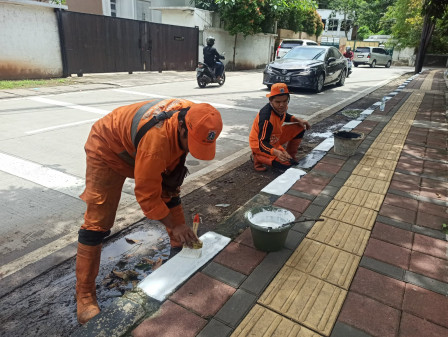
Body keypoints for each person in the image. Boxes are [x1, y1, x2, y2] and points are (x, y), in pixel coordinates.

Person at [75, 98, 223, 324]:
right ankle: (84, 295)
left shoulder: (198, 116)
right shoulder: (158, 140)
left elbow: (165, 191)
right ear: (182, 127)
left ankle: (179, 246)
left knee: (170, 189)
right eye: (190, 143)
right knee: (98, 222)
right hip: (107, 148)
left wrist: (179, 230)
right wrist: (174, 225)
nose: (192, 151)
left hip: (140, 147)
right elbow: (147, 195)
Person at [249, 83, 310, 172]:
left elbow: (284, 116)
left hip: (275, 138)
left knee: (300, 127)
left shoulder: (280, 108)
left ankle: (291, 155)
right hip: (259, 144)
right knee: (287, 165)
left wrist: (297, 119)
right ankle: (257, 157)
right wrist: (276, 152)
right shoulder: (266, 117)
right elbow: (262, 143)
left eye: (285, 101)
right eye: (278, 102)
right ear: (271, 100)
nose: (282, 105)